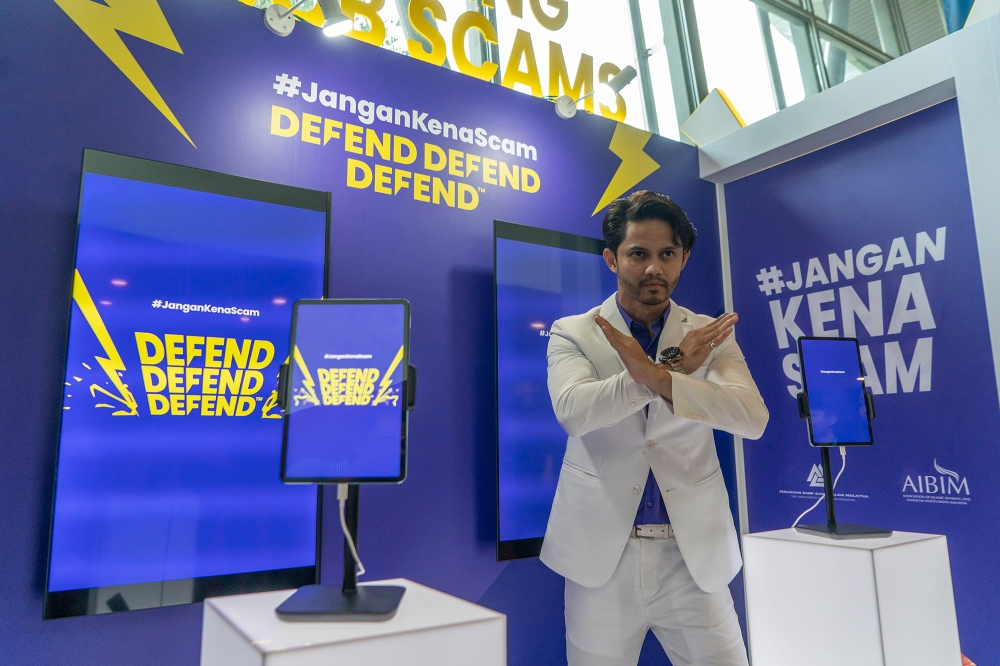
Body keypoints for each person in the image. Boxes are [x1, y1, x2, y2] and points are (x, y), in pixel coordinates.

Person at [541, 190, 769, 666]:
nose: (654, 268)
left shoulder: (707, 333)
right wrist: (663, 372)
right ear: (611, 258)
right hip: (602, 556)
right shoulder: (574, 331)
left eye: (667, 254)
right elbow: (574, 411)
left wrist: (661, 375)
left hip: (693, 555)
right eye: (638, 254)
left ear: (683, 258)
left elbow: (751, 417)